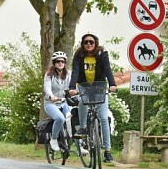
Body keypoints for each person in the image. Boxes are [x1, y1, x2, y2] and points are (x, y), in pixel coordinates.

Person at [69, 33, 118, 162]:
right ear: (83, 44)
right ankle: (84, 129)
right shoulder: (79, 55)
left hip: (100, 87)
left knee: (103, 117)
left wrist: (112, 84)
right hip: (84, 86)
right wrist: (72, 87)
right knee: (81, 102)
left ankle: (107, 151)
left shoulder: (102, 55)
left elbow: (107, 70)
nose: (89, 44)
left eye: (91, 42)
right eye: (86, 42)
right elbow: (75, 71)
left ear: (96, 43)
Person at [43, 51, 77, 156]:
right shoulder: (49, 75)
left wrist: (76, 92)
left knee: (71, 118)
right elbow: (47, 87)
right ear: (54, 63)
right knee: (60, 118)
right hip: (51, 103)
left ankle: (79, 144)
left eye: (62, 61)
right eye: (58, 61)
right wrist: (51, 96)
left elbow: (73, 85)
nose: (60, 63)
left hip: (64, 102)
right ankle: (54, 139)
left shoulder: (69, 74)